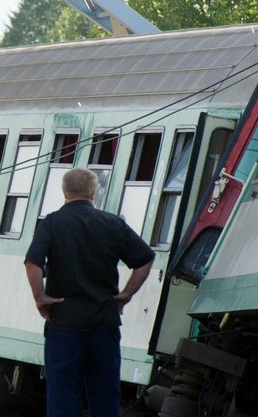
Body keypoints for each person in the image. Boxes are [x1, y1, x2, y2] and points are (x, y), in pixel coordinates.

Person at [24, 167, 155, 417]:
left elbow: (33, 263)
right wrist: (126, 293)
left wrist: (40, 298)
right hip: (103, 323)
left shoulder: (51, 223)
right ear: (93, 192)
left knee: (63, 397)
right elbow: (145, 259)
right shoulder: (112, 223)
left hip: (64, 324)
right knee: (105, 396)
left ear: (64, 191)